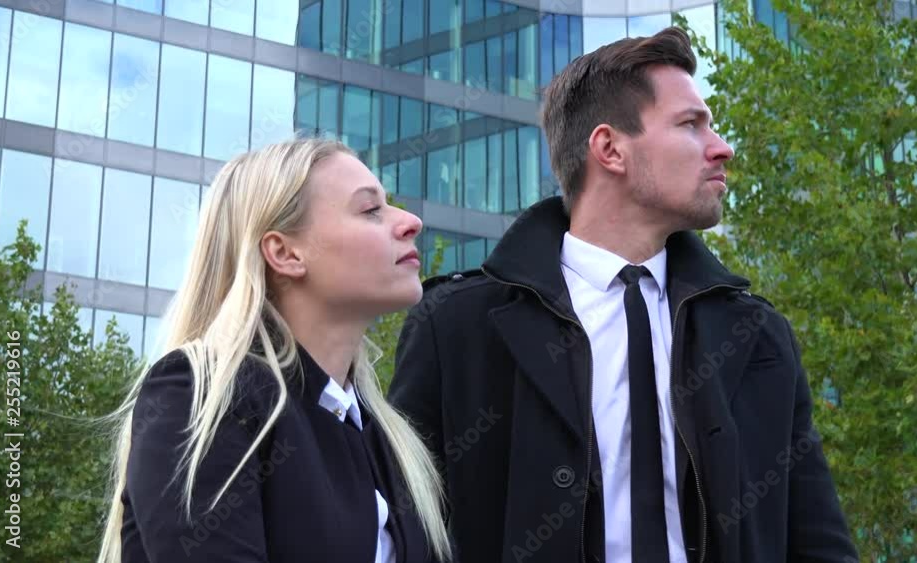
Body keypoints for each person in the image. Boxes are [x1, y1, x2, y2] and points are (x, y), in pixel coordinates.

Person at [389, 27, 858, 563]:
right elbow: (410, 533)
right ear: (610, 148)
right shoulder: (457, 326)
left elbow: (817, 541)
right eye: (690, 124)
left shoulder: (758, 336)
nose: (721, 147)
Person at [96, 138, 452, 562]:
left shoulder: (391, 440)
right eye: (370, 209)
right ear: (284, 253)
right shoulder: (202, 395)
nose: (411, 221)